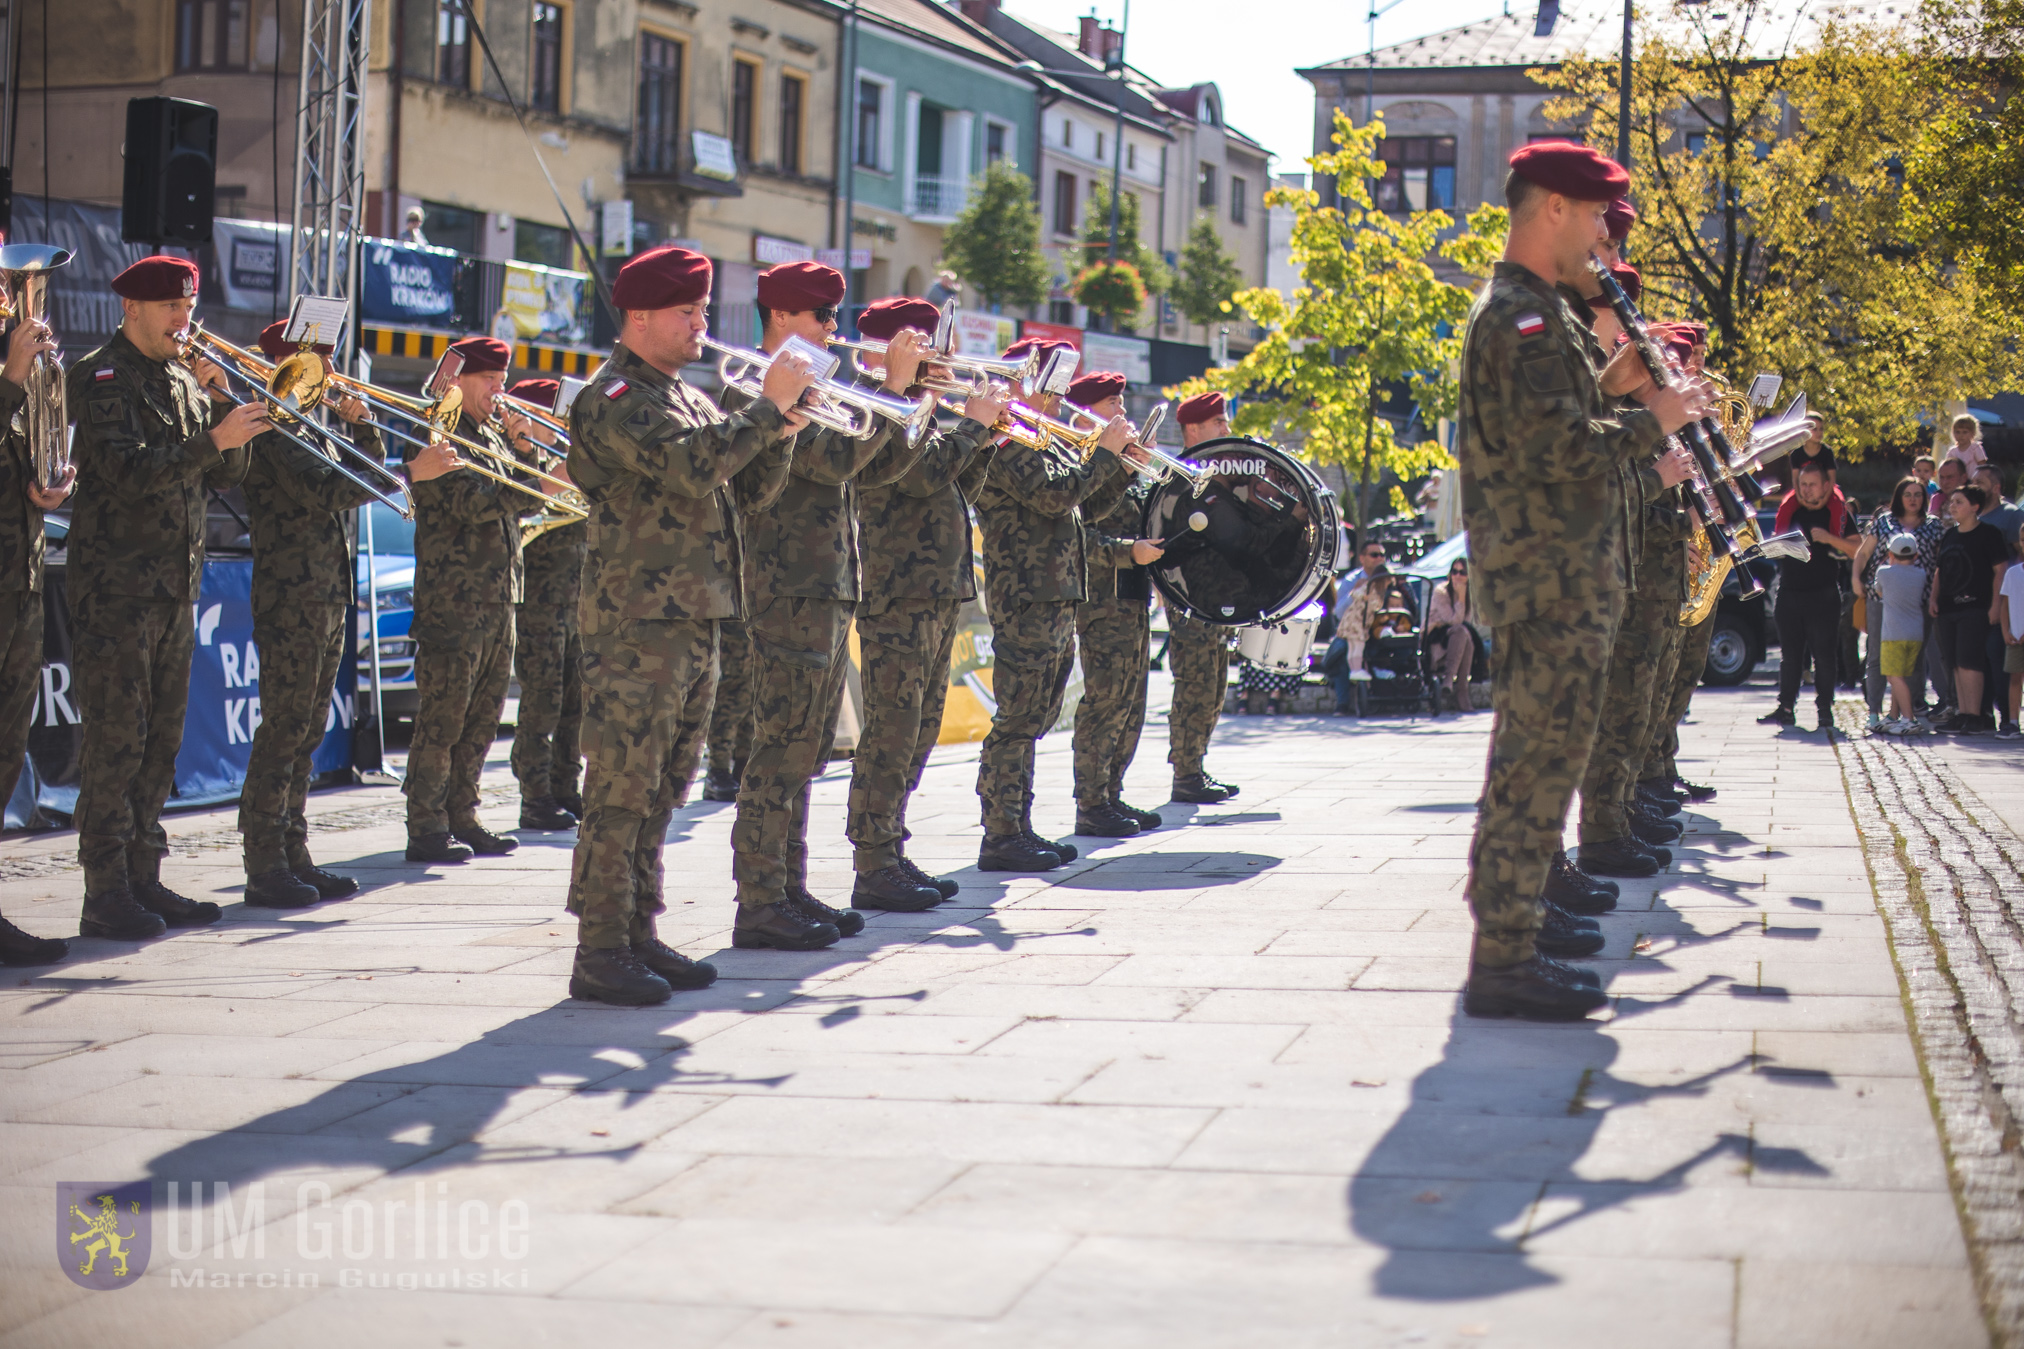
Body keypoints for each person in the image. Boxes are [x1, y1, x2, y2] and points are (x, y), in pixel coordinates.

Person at [1455, 141, 1703, 1021]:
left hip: (1563, 571)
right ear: (1552, 207)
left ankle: (1514, 935)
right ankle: (1505, 956)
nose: (1605, 235)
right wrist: (1653, 421)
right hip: (1548, 576)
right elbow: (1556, 448)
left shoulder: (1541, 315)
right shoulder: (1519, 317)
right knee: (1535, 761)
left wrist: (1615, 387)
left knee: (1540, 759)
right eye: (1597, 214)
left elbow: (1561, 421)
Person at [564, 244, 804, 1005]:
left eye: (702, 309)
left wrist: (783, 428)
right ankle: (600, 945)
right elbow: (690, 469)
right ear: (638, 316)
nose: (703, 323)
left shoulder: (687, 396)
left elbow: (745, 492)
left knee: (666, 784)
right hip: (637, 621)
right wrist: (764, 409)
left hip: (694, 616)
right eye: (687, 311)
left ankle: (638, 928)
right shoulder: (614, 397)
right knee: (622, 786)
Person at [726, 261, 937, 937]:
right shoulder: (761, 392)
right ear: (782, 318)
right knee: (780, 751)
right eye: (821, 317)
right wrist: (890, 389)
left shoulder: (811, 389)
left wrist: (907, 407)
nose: (832, 330)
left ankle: (789, 888)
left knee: (808, 750)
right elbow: (835, 461)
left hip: (824, 588)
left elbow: (873, 464)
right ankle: (760, 900)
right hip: (782, 589)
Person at [65, 255, 262, 940]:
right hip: (116, 592)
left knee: (160, 743)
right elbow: (125, 472)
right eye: (171, 308)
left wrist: (220, 406)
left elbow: (228, 473)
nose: (185, 320)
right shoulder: (100, 376)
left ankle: (144, 874)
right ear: (133, 310)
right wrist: (211, 437)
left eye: (188, 305)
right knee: (116, 742)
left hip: (174, 591)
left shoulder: (182, 378)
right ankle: (105, 889)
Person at [237, 321, 409, 908]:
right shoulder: (273, 426)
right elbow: (331, 491)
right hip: (291, 596)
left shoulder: (311, 426)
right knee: (284, 730)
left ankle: (294, 851)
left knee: (308, 731)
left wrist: (364, 427)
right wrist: (409, 473)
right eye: (320, 365)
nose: (331, 377)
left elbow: (367, 475)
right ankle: (265, 862)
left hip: (326, 593)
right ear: (291, 365)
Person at [848, 297, 1005, 898]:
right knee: (892, 727)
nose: (943, 358)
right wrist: (971, 424)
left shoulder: (924, 407)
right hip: (897, 589)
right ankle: (874, 860)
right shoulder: (877, 403)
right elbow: (915, 474)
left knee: (918, 728)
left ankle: (891, 844)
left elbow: (954, 482)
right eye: (927, 346)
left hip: (936, 589)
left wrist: (984, 436)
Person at [973, 338, 1137, 871]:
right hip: (1025, 594)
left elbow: (1083, 509)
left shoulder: (1044, 439)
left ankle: (1019, 826)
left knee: (1039, 714)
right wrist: (1104, 456)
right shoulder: (1008, 441)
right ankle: (1000, 833)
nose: (1061, 392)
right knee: (1019, 716)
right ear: (1025, 380)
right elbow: (1053, 495)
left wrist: (1120, 469)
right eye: (1053, 379)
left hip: (1057, 592)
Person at [402, 336, 540, 864]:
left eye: (502, 381)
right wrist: (535, 477)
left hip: (499, 598)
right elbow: (473, 504)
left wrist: (525, 453)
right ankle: (427, 824)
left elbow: (520, 507)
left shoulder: (493, 435)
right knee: (443, 719)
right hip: (453, 601)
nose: (498, 391)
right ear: (459, 381)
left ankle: (464, 814)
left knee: (483, 718)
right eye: (489, 381)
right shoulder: (438, 433)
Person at [0, 311, 74, 964]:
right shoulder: (11, 379)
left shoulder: (20, 382)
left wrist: (50, 483)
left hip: (16, 589)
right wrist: (12, 379)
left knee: (5, 752)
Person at [1067, 369, 1165, 836]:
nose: (1122, 412)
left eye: (1122, 402)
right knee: (1104, 701)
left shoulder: (1119, 463)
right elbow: (1078, 537)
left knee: (1131, 701)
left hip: (1131, 596)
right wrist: (1129, 552)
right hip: (1100, 598)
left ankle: (1112, 792)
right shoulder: (1078, 462)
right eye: (1111, 403)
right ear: (1086, 410)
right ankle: (1091, 802)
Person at [505, 378, 587, 829]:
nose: (557, 426)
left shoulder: (565, 460)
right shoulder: (517, 461)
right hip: (537, 600)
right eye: (551, 415)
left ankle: (564, 787)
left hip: (576, 601)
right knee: (542, 701)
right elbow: (513, 514)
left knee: (575, 702)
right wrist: (546, 485)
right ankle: (533, 796)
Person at [1166, 391, 1241, 803]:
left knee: (1214, 687)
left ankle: (1196, 765)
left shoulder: (1221, 477)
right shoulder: (1179, 478)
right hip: (1191, 598)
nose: (1226, 430)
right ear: (1193, 429)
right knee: (1194, 685)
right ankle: (1185, 772)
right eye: (1218, 423)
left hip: (1217, 598)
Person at [1757, 463, 1858, 732]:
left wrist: (1827, 538)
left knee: (1824, 657)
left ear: (1826, 485)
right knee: (1789, 656)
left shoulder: (1838, 511)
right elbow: (1774, 548)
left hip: (1823, 594)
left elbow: (1856, 549)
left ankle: (1825, 711)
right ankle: (1785, 708)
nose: (1806, 490)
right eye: (1802, 484)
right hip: (1789, 592)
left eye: (1812, 484)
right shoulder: (1791, 509)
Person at [1853, 476, 1944, 727]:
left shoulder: (1933, 525)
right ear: (1899, 497)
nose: (1913, 499)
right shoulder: (1884, 522)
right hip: (1879, 597)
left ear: (1924, 498)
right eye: (1908, 494)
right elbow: (1864, 553)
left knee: (1913, 658)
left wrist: (1937, 595)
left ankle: (1908, 710)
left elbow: (1940, 563)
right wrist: (1855, 578)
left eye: (1918, 494)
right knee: (1877, 655)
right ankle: (1874, 711)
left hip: (1919, 600)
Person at [1929, 484, 2012, 734]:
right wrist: (1934, 598)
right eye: (1951, 502)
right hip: (1947, 608)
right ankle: (1962, 713)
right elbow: (1940, 570)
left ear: (1975, 507)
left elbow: (2001, 570)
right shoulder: (1950, 535)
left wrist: (1996, 604)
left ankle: (1975, 715)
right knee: (1954, 663)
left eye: (1959, 502)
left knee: (1970, 662)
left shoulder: (1989, 534)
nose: (1952, 506)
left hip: (1976, 607)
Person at [1875, 533, 1929, 734]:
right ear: (1916, 555)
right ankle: (1893, 715)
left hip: (1892, 634)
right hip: (1915, 632)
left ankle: (1909, 718)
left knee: (1894, 677)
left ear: (1890, 553)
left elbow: (1879, 591)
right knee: (1901, 676)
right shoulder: (1920, 574)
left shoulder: (1884, 573)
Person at [699, 620, 752, 801]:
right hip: (734, 621)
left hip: (758, 618)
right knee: (730, 696)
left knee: (754, 693)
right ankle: (717, 771)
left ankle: (744, 769)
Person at [1426, 558, 1476, 714]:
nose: (1457, 576)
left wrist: (1462, 596)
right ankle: (1457, 687)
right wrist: (1460, 598)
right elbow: (1452, 620)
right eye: (1454, 571)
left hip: (1457, 639)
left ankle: (1454, 685)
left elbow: (1466, 622)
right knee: (1462, 632)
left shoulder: (1471, 595)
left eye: (1462, 572)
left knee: (1464, 634)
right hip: (1436, 637)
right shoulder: (1441, 591)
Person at [2000, 521, 2024, 740]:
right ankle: (2013, 722)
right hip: (2015, 637)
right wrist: (2006, 631)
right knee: (2015, 679)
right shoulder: (2013, 573)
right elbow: (2005, 605)